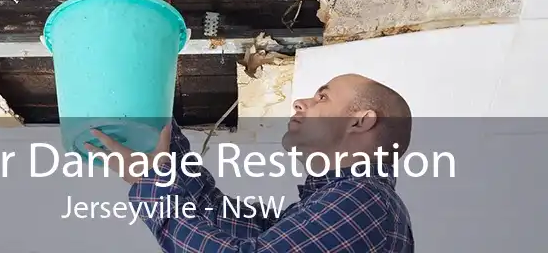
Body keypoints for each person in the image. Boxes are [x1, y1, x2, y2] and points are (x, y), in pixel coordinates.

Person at [86, 73, 415, 252]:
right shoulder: (335, 202)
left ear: (360, 121)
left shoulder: (365, 199)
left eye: (322, 97)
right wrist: (157, 121)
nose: (300, 102)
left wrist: (152, 183)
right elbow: (215, 213)